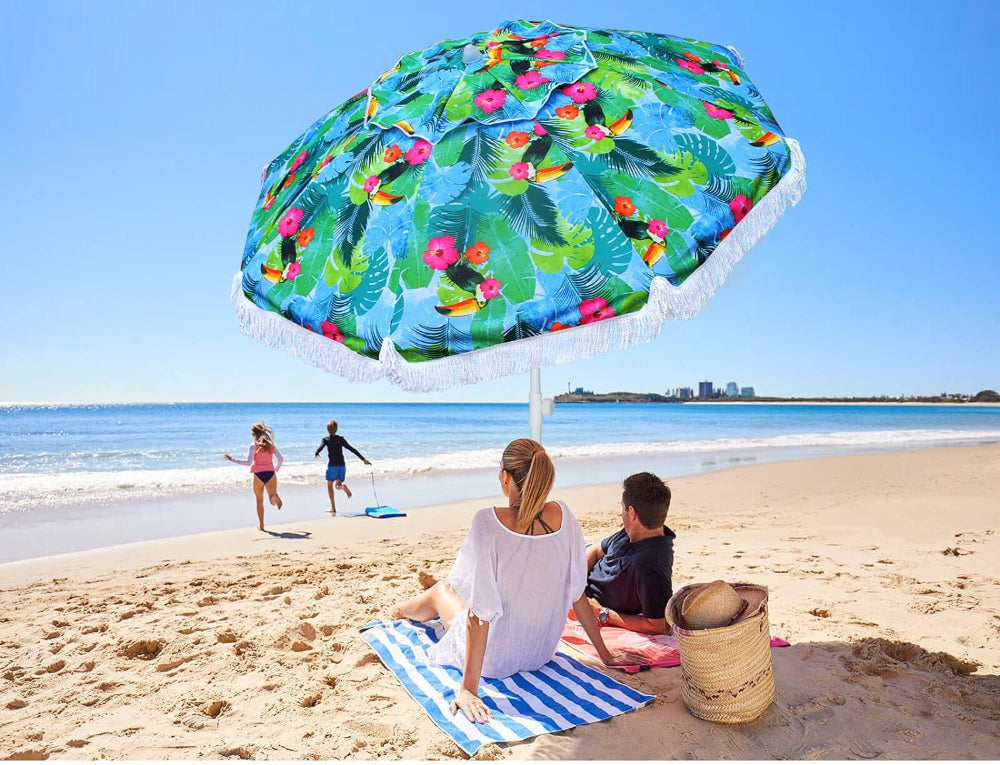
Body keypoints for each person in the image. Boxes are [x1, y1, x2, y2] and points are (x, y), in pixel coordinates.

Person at [390, 438, 637, 724]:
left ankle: (398, 611)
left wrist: (469, 689)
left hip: (495, 660)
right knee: (454, 593)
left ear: (505, 478)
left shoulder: (488, 523)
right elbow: (577, 594)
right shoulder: (564, 517)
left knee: (441, 590)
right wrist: (604, 654)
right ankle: (403, 609)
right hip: (540, 651)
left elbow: (478, 616)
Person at [578, 472, 675, 635]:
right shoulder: (633, 532)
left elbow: (657, 625)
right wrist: (575, 580)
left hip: (588, 598)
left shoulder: (650, 565)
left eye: (622, 507)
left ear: (632, 513)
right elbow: (595, 551)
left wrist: (603, 614)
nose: (621, 513)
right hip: (581, 576)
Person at [224, 421, 284, 531]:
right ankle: (274, 497)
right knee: (271, 497)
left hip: (258, 475)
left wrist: (232, 459)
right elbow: (280, 459)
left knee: (259, 501)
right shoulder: (270, 445)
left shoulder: (253, 446)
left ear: (253, 434)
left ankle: (261, 525)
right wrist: (276, 468)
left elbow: (248, 462)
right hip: (270, 473)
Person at [314, 419, 371, 515]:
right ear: (336, 429)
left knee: (330, 486)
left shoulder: (326, 440)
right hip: (342, 466)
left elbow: (321, 447)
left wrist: (317, 452)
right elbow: (352, 449)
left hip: (332, 466)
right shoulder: (341, 439)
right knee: (337, 485)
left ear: (327, 430)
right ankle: (342, 487)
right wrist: (363, 459)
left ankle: (333, 507)